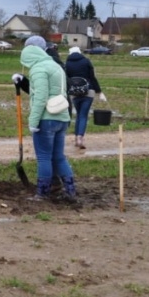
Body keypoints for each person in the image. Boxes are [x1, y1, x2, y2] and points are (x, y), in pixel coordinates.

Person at [21, 41, 77, 201]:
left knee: (44, 157)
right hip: (62, 117)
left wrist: (33, 121)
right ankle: (70, 190)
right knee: (58, 157)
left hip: (46, 119)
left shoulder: (39, 69)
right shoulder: (55, 66)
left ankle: (42, 192)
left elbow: (40, 97)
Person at [64, 46, 107, 150]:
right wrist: (99, 92)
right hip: (88, 92)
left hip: (74, 93)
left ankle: (76, 139)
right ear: (79, 52)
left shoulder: (67, 64)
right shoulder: (86, 61)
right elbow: (92, 77)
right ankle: (80, 138)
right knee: (83, 115)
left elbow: (66, 79)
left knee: (78, 115)